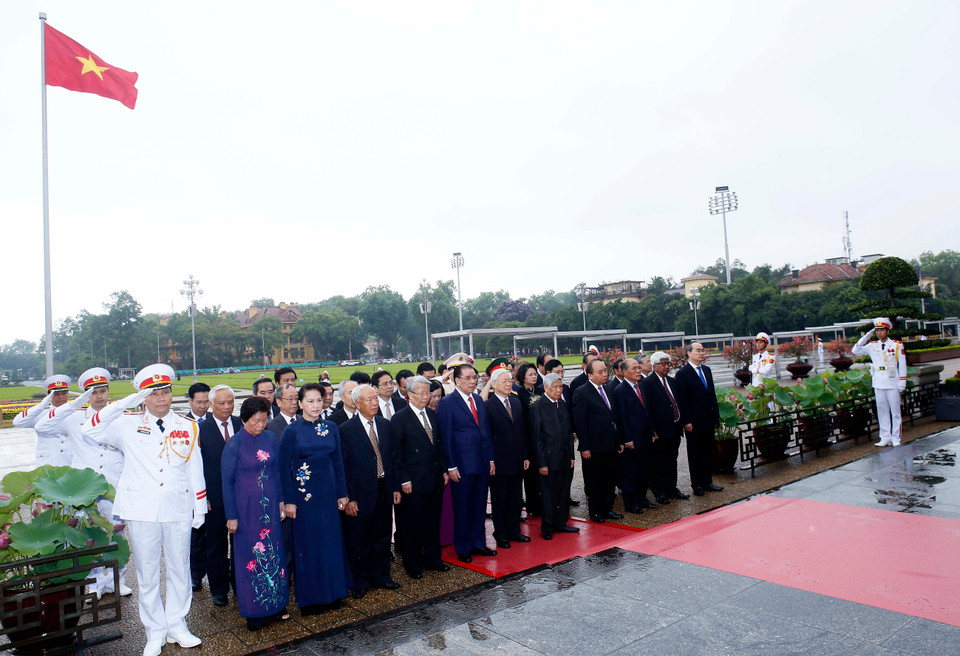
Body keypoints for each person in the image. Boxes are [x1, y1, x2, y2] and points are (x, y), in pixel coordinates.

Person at [83, 364, 206, 656]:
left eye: (165, 391)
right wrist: (127, 402)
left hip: (177, 507)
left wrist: (199, 507)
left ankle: (177, 624)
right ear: (144, 397)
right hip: (141, 510)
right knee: (148, 573)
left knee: (179, 569)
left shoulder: (188, 426)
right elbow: (91, 428)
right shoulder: (126, 423)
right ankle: (154, 631)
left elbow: (194, 467)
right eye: (153, 394)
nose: (161, 398)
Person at [35, 368, 131, 597]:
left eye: (102, 390)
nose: (99, 396)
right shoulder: (74, 418)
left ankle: (119, 579)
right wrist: (72, 405)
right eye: (93, 392)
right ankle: (94, 581)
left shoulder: (121, 418)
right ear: (85, 395)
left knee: (116, 532)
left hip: (113, 484)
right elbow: (41, 427)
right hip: (84, 489)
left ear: (108, 391)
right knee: (88, 534)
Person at [279, 383, 351, 614]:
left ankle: (335, 593)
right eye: (309, 401)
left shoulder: (330, 428)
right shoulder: (292, 431)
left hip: (328, 494)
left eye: (319, 400)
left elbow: (338, 462)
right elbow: (283, 468)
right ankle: (311, 600)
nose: (315, 405)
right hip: (304, 498)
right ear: (299, 404)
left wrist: (342, 492)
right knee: (308, 547)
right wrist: (289, 500)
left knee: (331, 543)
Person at [222, 397, 290, 631]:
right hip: (246, 509)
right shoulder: (235, 444)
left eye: (264, 419)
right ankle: (255, 611)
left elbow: (277, 471)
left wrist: (281, 500)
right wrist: (231, 515)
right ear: (244, 419)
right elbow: (226, 482)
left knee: (274, 551)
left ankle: (278, 604)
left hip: (269, 506)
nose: (261, 424)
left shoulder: (270, 438)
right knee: (249, 557)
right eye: (255, 420)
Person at [339, 384, 401, 597]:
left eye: (375, 398)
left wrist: (394, 487)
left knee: (382, 536)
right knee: (360, 539)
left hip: (384, 488)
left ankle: (382, 576)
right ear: (357, 403)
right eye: (369, 399)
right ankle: (361, 581)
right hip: (360, 493)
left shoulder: (384, 425)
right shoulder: (346, 430)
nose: (375, 403)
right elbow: (344, 467)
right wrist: (350, 498)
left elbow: (392, 458)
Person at [436, 356, 496, 563]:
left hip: (481, 463)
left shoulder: (478, 399)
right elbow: (446, 438)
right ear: (456, 380)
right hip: (461, 465)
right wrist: (450, 466)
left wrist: (490, 459)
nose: (473, 381)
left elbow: (485, 431)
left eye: (475, 377)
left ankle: (479, 543)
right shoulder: (447, 403)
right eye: (468, 378)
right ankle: (463, 546)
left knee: (479, 506)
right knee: (463, 507)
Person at [391, 376, 449, 579]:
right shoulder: (400, 418)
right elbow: (396, 453)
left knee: (433, 522)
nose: (427, 397)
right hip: (413, 482)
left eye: (429, 393)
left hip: (434, 479)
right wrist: (404, 479)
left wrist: (443, 470)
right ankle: (413, 564)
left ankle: (433, 559)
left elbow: (438, 446)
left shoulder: (432, 415)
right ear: (410, 394)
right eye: (422, 393)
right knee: (412, 525)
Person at [197, 385, 241, 607]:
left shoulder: (241, 424)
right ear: (211, 404)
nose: (226, 407)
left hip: (240, 497)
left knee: (241, 544)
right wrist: (201, 496)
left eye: (230, 402)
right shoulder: (200, 429)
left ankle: (240, 584)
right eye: (221, 403)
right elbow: (196, 467)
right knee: (216, 545)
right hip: (214, 499)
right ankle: (219, 589)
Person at [573, 359, 624, 523]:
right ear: (590, 375)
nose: (605, 374)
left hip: (611, 442)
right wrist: (585, 446)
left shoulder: (608, 388)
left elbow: (614, 416)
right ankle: (596, 512)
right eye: (600, 372)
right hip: (594, 446)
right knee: (595, 480)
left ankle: (608, 509)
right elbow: (580, 422)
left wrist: (619, 441)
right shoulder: (582, 392)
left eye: (605, 371)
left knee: (610, 479)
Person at [485, 363, 530, 549]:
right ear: (494, 384)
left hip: (517, 458)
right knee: (500, 498)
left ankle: (514, 531)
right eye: (504, 381)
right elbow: (486, 435)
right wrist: (490, 459)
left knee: (515, 497)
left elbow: (523, 432)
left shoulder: (517, 402)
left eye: (510, 381)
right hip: (499, 460)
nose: (508, 384)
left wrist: (526, 456)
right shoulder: (488, 406)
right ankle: (501, 533)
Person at [530, 373, 578, 539]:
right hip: (549, 460)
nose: (559, 390)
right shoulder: (537, 407)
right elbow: (537, 438)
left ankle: (561, 522)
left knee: (563, 492)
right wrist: (542, 463)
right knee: (549, 495)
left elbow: (568, 433)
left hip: (564, 458)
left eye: (560, 387)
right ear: (546, 388)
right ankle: (548, 527)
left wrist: (571, 456)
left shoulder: (562, 404)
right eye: (555, 387)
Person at [673, 342, 723, 496]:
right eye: (698, 350)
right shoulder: (682, 373)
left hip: (708, 418)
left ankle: (708, 481)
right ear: (688, 353)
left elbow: (711, 395)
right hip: (694, 422)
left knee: (708, 451)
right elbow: (682, 400)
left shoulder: (707, 371)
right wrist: (686, 421)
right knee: (695, 453)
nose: (702, 353)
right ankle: (697, 484)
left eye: (703, 350)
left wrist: (716, 417)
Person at [641, 352, 689, 505]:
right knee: (658, 462)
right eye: (663, 364)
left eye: (668, 363)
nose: (666, 366)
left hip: (674, 427)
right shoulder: (647, 383)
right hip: (659, 431)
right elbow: (647, 409)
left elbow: (678, 401)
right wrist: (652, 430)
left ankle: (671, 488)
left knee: (672, 459)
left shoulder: (672, 381)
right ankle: (659, 492)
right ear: (654, 366)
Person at [852, 318, 907, 447]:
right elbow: (855, 350)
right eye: (877, 330)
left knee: (895, 410)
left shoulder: (896, 345)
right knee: (882, 410)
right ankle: (885, 437)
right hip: (879, 381)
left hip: (893, 380)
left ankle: (895, 437)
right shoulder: (872, 345)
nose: (880, 333)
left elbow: (903, 365)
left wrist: (902, 382)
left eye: (882, 330)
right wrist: (867, 335)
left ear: (887, 331)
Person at [612, 358, 657, 514]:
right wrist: (627, 439)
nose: (639, 370)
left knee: (644, 470)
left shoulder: (641, 386)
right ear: (625, 372)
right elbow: (621, 418)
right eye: (634, 368)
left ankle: (642, 498)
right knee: (632, 472)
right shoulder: (620, 391)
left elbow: (647, 412)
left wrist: (652, 432)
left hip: (645, 436)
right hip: (632, 439)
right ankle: (631, 503)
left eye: (639, 367)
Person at [13, 374, 72, 466]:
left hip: (71, 461)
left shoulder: (76, 412)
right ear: (49, 395)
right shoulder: (41, 414)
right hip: (48, 462)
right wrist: (41, 406)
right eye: (56, 394)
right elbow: (17, 422)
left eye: (64, 393)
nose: (61, 397)